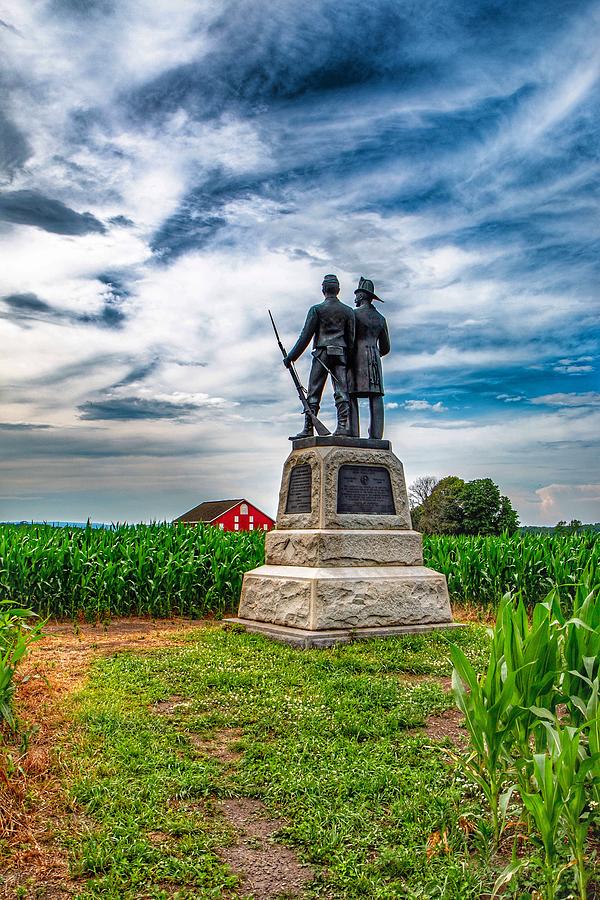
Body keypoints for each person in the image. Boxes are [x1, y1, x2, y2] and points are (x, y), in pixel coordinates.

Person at [283, 274, 355, 438]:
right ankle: (343, 427)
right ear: (338, 290)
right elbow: (350, 340)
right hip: (340, 354)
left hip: (322, 353)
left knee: (314, 392)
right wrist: (347, 360)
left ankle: (308, 428)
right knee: (342, 391)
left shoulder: (316, 309)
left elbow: (305, 336)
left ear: (323, 290)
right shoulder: (348, 311)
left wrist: (291, 357)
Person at [348, 276, 390, 439]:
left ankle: (353, 433)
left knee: (351, 394)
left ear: (362, 296)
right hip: (374, 358)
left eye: (357, 294)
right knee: (376, 395)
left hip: (356, 357)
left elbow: (349, 338)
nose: (355, 297)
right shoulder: (380, 318)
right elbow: (386, 347)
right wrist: (376, 354)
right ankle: (376, 435)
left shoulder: (353, 314)